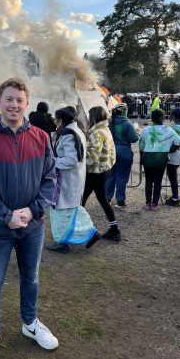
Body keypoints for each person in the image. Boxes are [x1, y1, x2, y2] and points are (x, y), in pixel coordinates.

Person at [0, 77, 58, 359]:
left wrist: (32, 212)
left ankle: (30, 322)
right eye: (9, 99)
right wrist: (7, 216)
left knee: (30, 278)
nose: (14, 105)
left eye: (19, 100)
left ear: (27, 104)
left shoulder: (42, 138)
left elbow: (50, 180)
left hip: (32, 228)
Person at [46, 108, 100, 254]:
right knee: (71, 210)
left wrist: (51, 162)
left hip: (68, 179)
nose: (55, 123)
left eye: (55, 120)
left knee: (62, 212)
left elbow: (71, 160)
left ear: (60, 121)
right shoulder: (75, 132)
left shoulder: (70, 135)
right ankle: (92, 233)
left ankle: (62, 243)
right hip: (71, 178)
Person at [82, 106, 120, 240]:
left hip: (94, 173)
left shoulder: (97, 133)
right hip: (104, 171)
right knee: (103, 201)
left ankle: (83, 232)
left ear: (93, 117)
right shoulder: (105, 130)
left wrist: (79, 155)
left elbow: (92, 158)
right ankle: (114, 230)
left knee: (80, 202)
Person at [139, 108, 180, 211]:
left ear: (152, 118)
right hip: (161, 157)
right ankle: (155, 204)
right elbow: (178, 140)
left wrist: (142, 154)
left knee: (148, 180)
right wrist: (169, 150)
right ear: (163, 118)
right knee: (158, 181)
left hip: (148, 157)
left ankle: (147, 203)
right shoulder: (168, 130)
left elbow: (141, 145)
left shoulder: (146, 130)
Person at [107, 103, 140, 208]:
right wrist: (136, 132)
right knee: (121, 177)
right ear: (124, 111)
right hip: (124, 152)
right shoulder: (127, 123)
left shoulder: (109, 122)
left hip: (110, 152)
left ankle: (107, 198)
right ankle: (120, 201)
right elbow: (133, 139)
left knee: (110, 176)